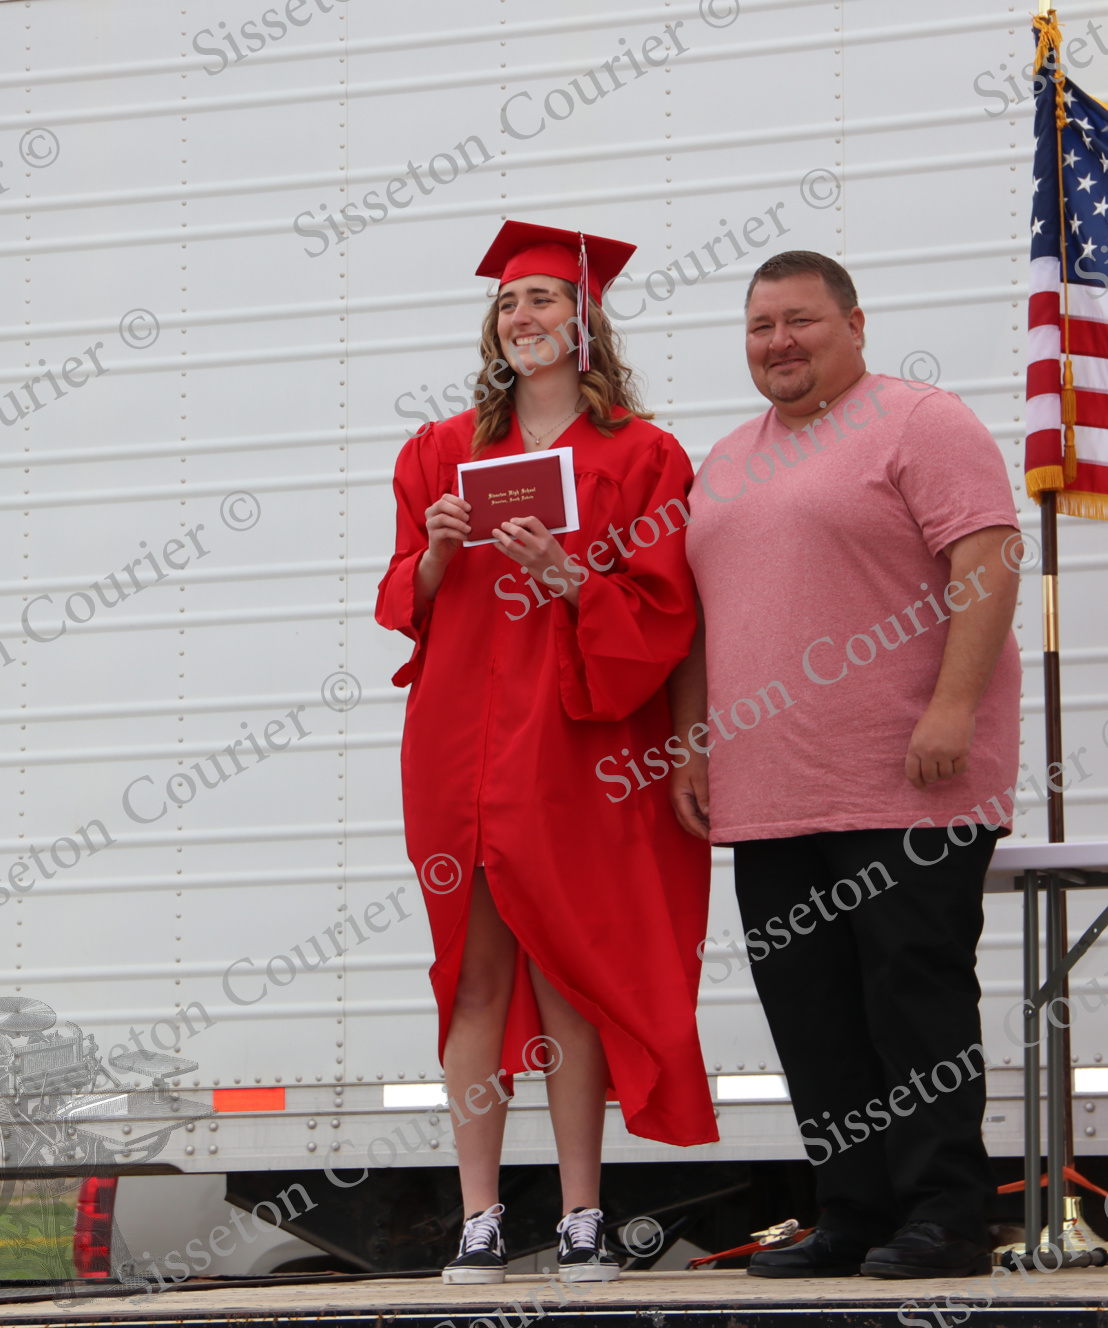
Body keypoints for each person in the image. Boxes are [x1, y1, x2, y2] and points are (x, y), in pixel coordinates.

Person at [669, 251, 1022, 1279]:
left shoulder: (920, 421)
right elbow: (697, 624)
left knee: (913, 1001)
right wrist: (694, 741)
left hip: (907, 780)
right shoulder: (728, 459)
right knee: (812, 1010)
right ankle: (854, 1209)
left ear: (855, 325)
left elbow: (988, 559)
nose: (778, 341)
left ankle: (948, 1215)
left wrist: (952, 703)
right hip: (770, 792)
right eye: (759, 325)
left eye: (801, 321)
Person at [376, 221, 716, 1286]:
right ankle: (479, 1215)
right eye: (508, 305)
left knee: (570, 975)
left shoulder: (645, 455)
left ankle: (579, 1212)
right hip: (460, 739)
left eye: (542, 301)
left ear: (585, 321)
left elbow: (670, 613)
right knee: (472, 979)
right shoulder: (441, 451)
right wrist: (437, 550)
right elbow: (404, 604)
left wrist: (575, 580)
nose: (522, 318)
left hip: (575, 739)